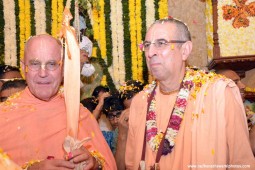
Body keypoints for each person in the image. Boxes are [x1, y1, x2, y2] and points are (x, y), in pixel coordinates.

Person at [125, 18, 255, 169]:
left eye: (161, 43)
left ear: (185, 50)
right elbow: (131, 164)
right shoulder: (140, 101)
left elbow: (242, 162)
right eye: (147, 45)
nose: (150, 52)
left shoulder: (218, 93)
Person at [0, 34, 116, 169]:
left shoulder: (79, 114)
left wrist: (95, 164)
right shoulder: (4, 116)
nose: (43, 73)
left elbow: (109, 164)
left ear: (63, 68)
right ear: (23, 66)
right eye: (35, 64)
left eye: (51, 64)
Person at [115, 80, 145, 170]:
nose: (131, 113)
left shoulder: (156, 122)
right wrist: (122, 135)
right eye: (128, 109)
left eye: (136, 108)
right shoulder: (123, 126)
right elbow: (119, 168)